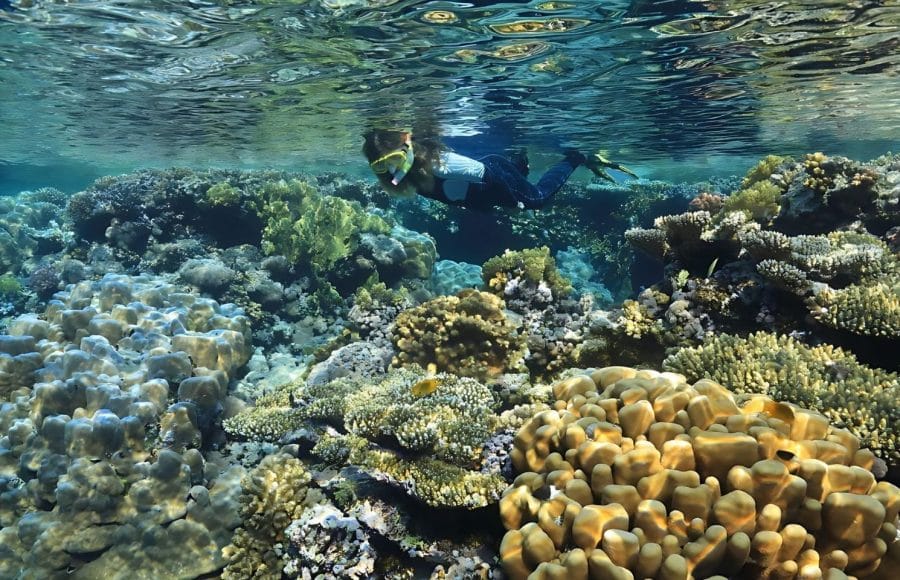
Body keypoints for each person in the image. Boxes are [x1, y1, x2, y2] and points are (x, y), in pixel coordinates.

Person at [362, 129, 637, 211]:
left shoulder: (439, 165)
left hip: (493, 173)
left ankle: (576, 158)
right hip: (486, 182)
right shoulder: (407, 178)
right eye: (381, 165)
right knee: (517, 181)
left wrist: (512, 202)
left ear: (407, 148)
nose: (393, 167)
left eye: (395, 157)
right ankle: (520, 161)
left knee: (537, 200)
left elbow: (488, 175)